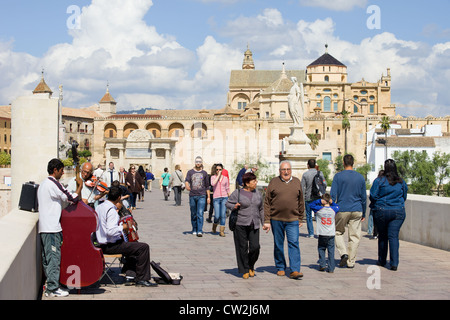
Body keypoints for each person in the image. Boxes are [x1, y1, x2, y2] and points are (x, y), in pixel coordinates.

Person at [95, 186, 157, 287]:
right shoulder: (111, 211)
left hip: (100, 242)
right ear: (119, 198)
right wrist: (122, 227)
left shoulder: (99, 207)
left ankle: (131, 274)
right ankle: (142, 279)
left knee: (133, 245)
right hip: (110, 245)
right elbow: (111, 232)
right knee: (143, 247)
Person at [38, 158, 82, 297]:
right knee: (53, 258)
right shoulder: (53, 184)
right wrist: (80, 186)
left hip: (45, 227)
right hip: (52, 228)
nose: (63, 173)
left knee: (47, 259)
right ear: (55, 170)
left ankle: (51, 285)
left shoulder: (43, 184)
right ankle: (52, 288)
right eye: (61, 171)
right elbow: (71, 197)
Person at [263, 160, 305, 279]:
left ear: (291, 170)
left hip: (293, 219)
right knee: (278, 244)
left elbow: (301, 200)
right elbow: (267, 202)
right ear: (279, 171)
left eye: (288, 169)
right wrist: (267, 220)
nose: (286, 172)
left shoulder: (297, 182)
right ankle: (280, 267)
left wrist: (301, 217)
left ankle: (295, 270)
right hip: (276, 219)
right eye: (283, 170)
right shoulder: (274, 182)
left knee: (294, 243)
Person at [370, 159, 408, 271]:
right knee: (393, 236)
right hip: (398, 211)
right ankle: (394, 263)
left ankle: (382, 260)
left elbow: (373, 195)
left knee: (382, 236)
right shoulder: (401, 182)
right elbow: (404, 196)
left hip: (382, 210)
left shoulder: (379, 181)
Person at [330, 154, 367, 268]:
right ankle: (351, 262)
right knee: (354, 236)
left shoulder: (338, 176)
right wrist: (364, 212)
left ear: (343, 163)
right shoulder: (360, 177)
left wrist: (333, 209)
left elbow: (333, 195)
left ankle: (343, 253)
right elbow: (364, 197)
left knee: (337, 232)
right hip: (357, 209)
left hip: (342, 208)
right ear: (353, 163)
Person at [226, 172, 264, 279]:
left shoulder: (258, 193)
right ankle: (245, 269)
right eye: (254, 181)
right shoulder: (237, 193)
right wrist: (234, 206)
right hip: (240, 224)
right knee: (242, 247)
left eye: (256, 181)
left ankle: (251, 265)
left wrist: (264, 222)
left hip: (254, 224)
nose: (256, 183)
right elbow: (228, 203)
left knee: (255, 247)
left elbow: (261, 208)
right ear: (247, 183)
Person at [310, 193, 339, 273]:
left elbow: (311, 205)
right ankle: (331, 267)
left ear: (322, 200)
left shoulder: (319, 209)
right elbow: (338, 206)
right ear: (329, 200)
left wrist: (319, 201)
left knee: (321, 248)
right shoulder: (334, 209)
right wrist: (332, 202)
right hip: (331, 233)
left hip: (322, 233)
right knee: (331, 250)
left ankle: (322, 264)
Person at [185, 156, 210, 237]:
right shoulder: (190, 172)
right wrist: (187, 185)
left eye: (199, 162)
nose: (198, 163)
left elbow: (207, 186)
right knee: (193, 213)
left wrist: (208, 197)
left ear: (201, 163)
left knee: (200, 213)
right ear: (195, 163)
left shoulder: (205, 173)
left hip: (202, 195)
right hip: (192, 195)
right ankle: (194, 229)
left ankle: (199, 230)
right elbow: (187, 180)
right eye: (197, 162)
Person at [301, 159, 326, 238]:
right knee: (318, 215)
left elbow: (302, 187)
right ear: (315, 165)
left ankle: (311, 233)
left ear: (308, 165)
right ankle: (319, 233)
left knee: (308, 216)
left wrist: (302, 198)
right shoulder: (320, 173)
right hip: (318, 197)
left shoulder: (305, 174)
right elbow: (324, 184)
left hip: (308, 197)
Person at [211, 163, 230, 237]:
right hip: (216, 198)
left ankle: (221, 231)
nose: (218, 171)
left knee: (223, 215)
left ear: (222, 170)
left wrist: (230, 197)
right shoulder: (213, 177)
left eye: (220, 169)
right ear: (215, 170)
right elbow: (213, 184)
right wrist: (218, 176)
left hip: (224, 197)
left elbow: (227, 188)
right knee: (217, 215)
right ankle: (214, 226)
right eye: (217, 170)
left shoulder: (225, 178)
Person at [368, 170, 384, 240]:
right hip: (383, 205)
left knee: (375, 221)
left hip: (375, 205)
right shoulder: (386, 182)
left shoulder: (376, 181)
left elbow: (372, 194)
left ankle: (374, 233)